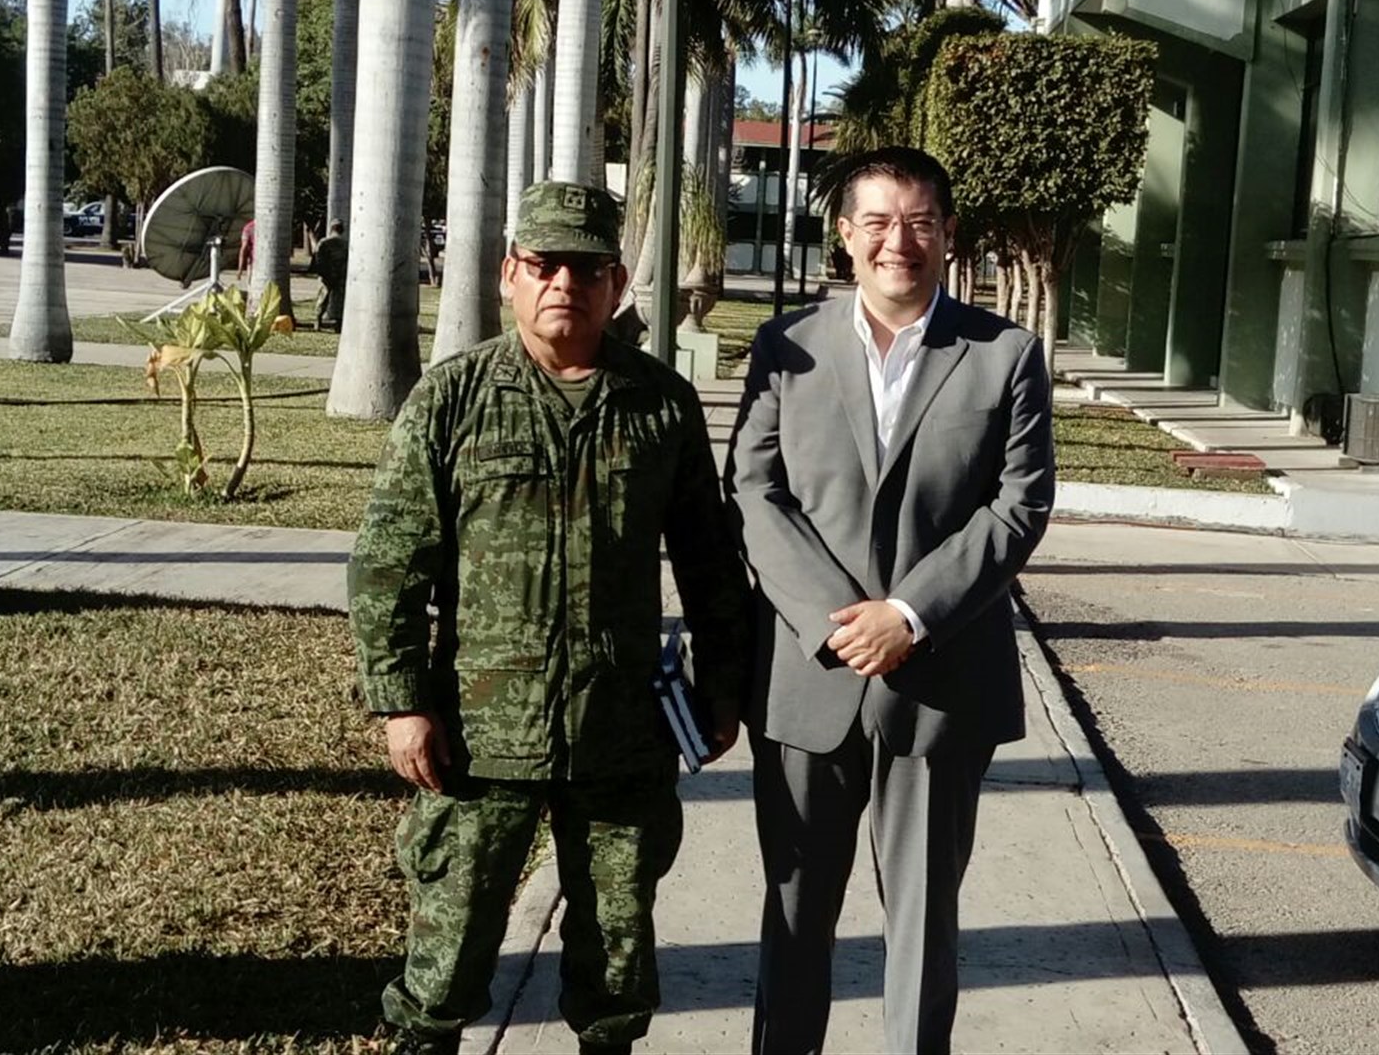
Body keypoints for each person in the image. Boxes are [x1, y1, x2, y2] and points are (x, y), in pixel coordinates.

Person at [349, 180, 754, 1055]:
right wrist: (402, 703)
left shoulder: (659, 406)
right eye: (544, 265)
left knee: (615, 956)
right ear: (509, 275)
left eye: (585, 267)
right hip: (478, 737)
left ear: (614, 284)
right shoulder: (453, 398)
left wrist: (724, 690)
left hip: (619, 735)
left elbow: (710, 563)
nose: (562, 283)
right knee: (446, 957)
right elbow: (389, 564)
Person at [724, 146, 1055, 1055]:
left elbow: (1020, 504)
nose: (895, 241)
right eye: (876, 221)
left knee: (923, 922)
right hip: (810, 677)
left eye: (917, 222)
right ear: (844, 235)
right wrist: (842, 619)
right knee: (794, 918)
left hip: (941, 680)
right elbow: (754, 490)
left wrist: (907, 615)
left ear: (947, 234)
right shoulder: (786, 347)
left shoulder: (1006, 356)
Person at [311, 219, 348, 331]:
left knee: (322, 299)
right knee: (339, 300)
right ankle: (338, 324)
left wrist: (322, 272)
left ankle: (317, 322)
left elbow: (317, 259)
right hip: (340, 275)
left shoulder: (323, 242)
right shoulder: (345, 244)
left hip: (326, 275)